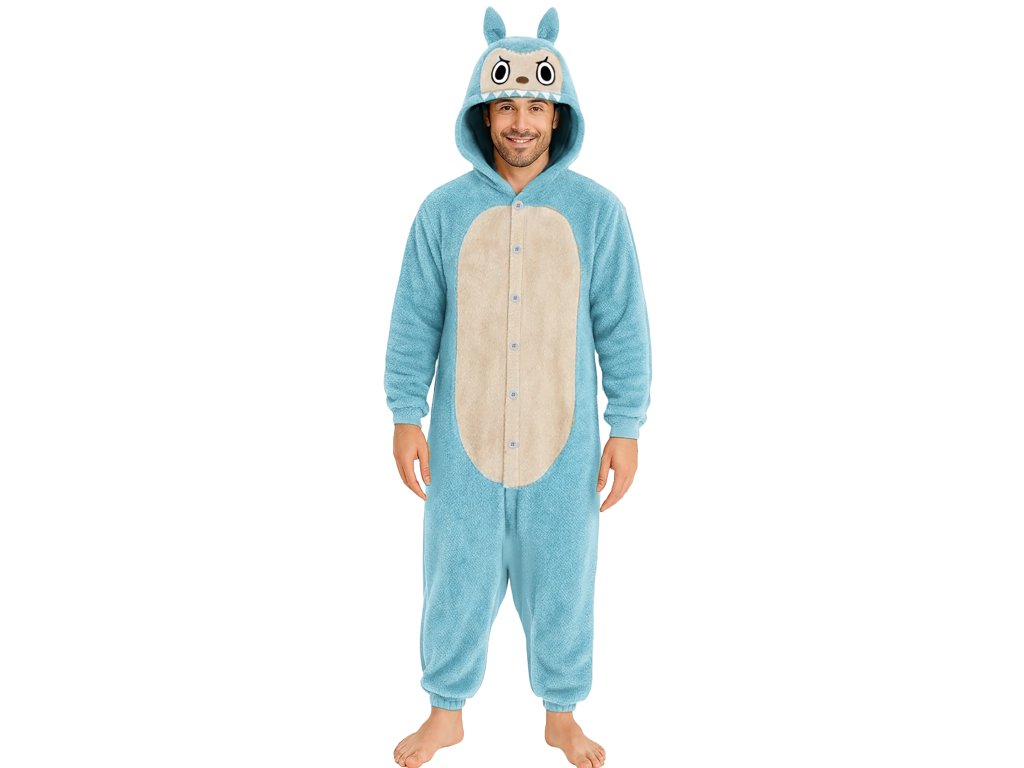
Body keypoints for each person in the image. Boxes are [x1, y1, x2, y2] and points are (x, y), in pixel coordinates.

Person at [384, 7, 652, 767]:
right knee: (454, 572)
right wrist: (405, 413)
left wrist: (626, 425)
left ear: (559, 113)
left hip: (562, 443)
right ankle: (445, 710)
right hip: (462, 439)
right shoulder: (442, 212)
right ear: (483, 112)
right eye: (506, 105)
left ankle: (561, 713)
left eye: (537, 105)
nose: (521, 122)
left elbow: (623, 325)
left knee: (564, 575)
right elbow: (414, 319)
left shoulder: (598, 214)